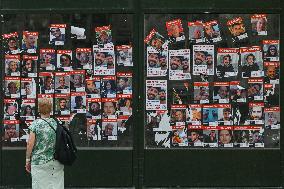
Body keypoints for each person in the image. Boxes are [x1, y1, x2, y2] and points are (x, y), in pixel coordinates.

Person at [25, 97, 64, 188]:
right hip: (56, 162)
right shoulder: (56, 123)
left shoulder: (35, 124)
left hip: (39, 162)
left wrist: (27, 160)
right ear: (51, 109)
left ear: (39, 109)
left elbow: (30, 143)